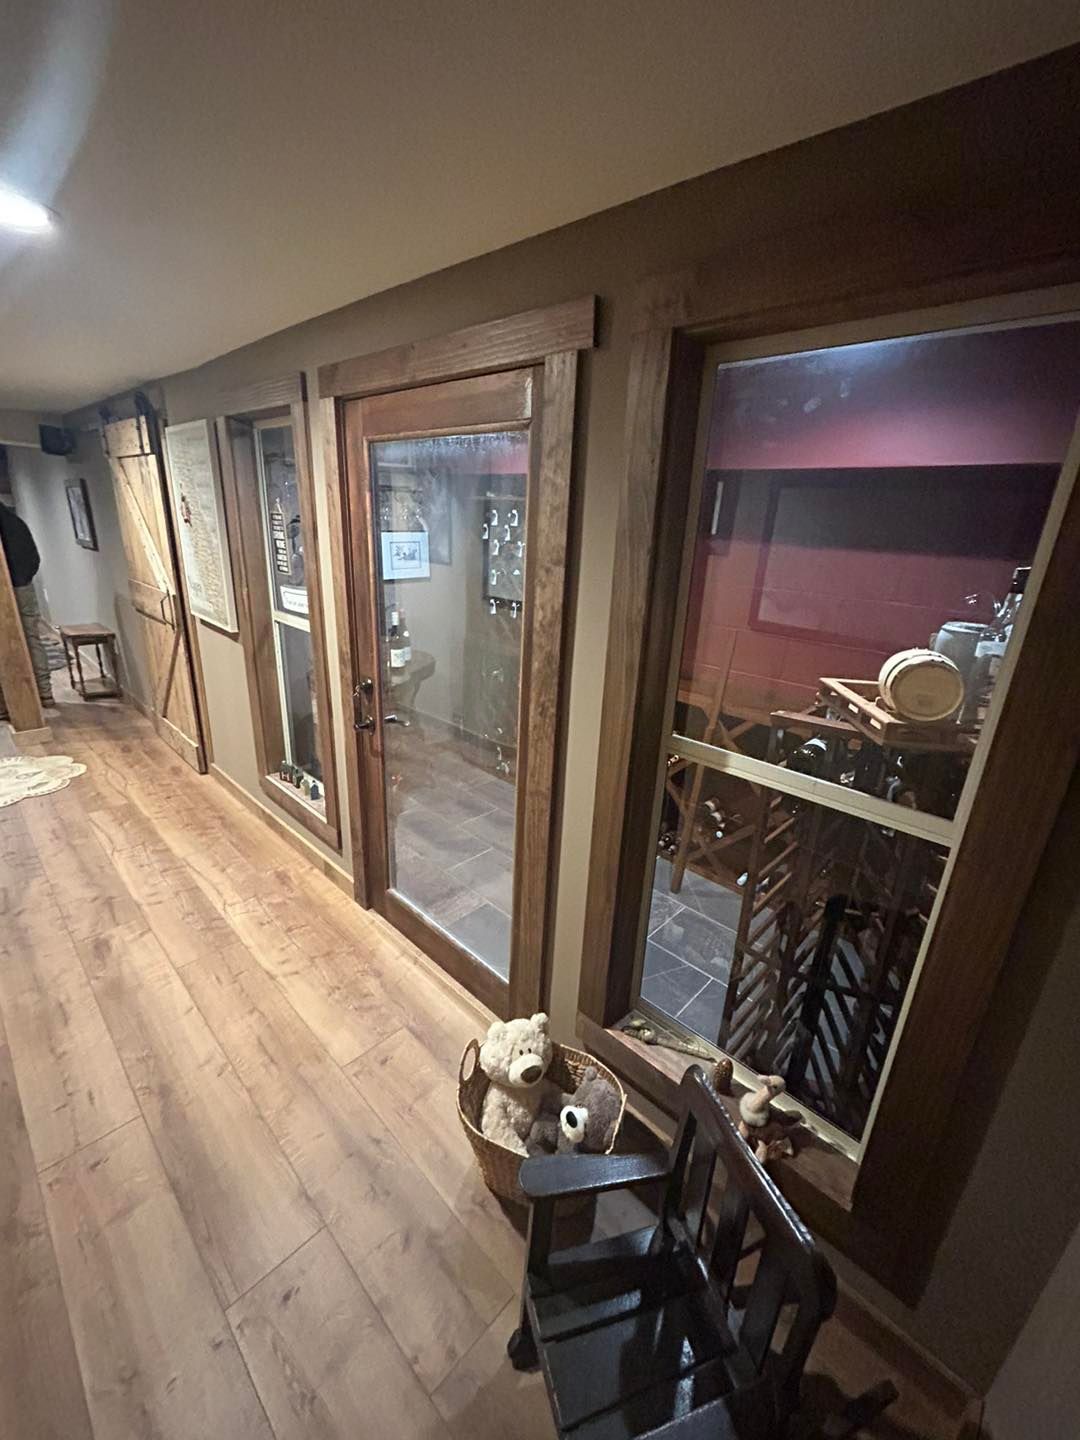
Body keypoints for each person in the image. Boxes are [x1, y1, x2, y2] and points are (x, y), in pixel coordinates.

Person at [0, 499, 54, 719]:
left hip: (10, 587)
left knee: (5, 644)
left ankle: (7, 703)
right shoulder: (16, 523)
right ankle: (44, 692)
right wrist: (23, 579)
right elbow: (33, 557)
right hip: (23, 586)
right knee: (32, 638)